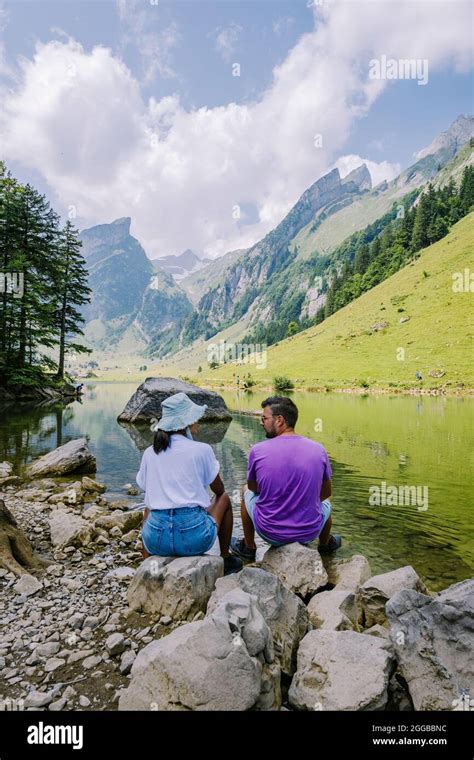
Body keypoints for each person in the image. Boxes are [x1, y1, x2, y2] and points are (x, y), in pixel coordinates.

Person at [136, 392, 242, 576]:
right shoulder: (202, 450)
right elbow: (219, 490)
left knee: (150, 506)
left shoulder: (149, 453)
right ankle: (225, 557)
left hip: (157, 540)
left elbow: (146, 488)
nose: (197, 424)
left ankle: (147, 562)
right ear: (186, 423)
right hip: (193, 539)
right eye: (195, 420)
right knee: (224, 498)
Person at [231, 396, 341, 561]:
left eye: (264, 418)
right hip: (309, 533)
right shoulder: (319, 450)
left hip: (270, 532)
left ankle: (248, 547)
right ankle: (325, 545)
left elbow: (253, 488)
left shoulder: (258, 450)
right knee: (325, 503)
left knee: (244, 490)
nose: (261, 422)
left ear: (279, 420)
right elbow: (325, 493)